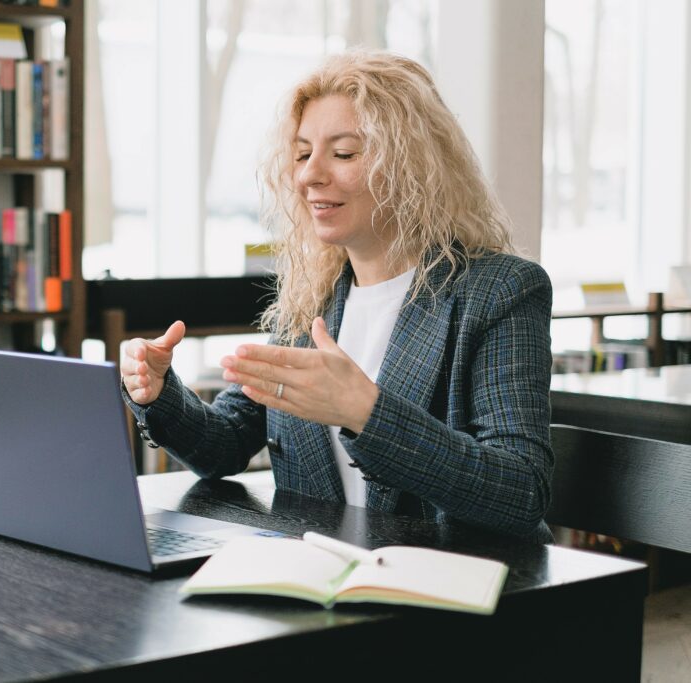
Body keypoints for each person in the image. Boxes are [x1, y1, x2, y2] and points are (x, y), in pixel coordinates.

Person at [120, 49, 553, 541]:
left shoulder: (501, 291)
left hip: (455, 589)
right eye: (303, 154)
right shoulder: (311, 298)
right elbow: (225, 442)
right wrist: (157, 393)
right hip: (325, 584)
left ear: (411, 165)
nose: (308, 175)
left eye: (343, 153)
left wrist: (365, 412)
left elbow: (520, 491)